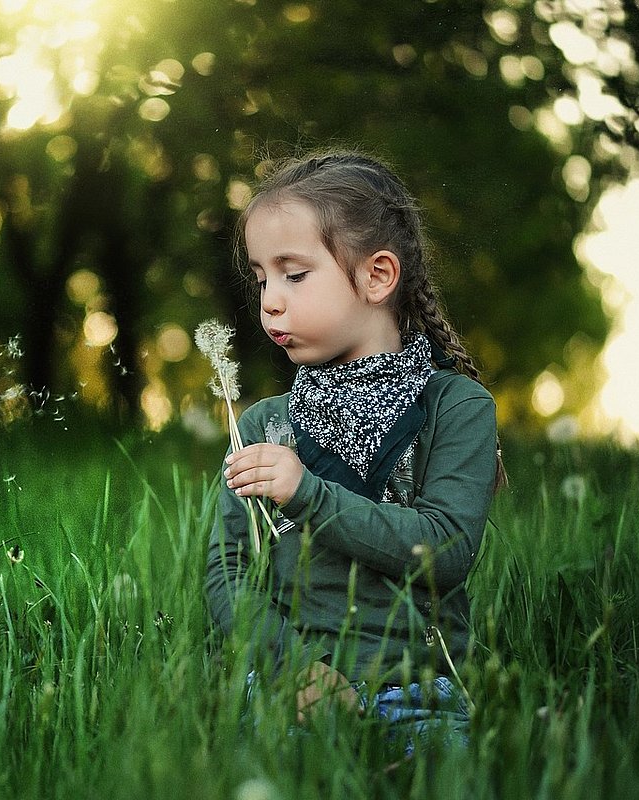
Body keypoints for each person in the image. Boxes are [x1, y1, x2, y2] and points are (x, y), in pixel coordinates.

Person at [204, 149, 503, 750]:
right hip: (290, 682)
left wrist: (307, 494)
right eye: (261, 278)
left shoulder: (457, 407)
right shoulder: (263, 423)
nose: (270, 301)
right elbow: (228, 569)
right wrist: (291, 668)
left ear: (377, 276)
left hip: (416, 686)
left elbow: (444, 552)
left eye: (294, 273)